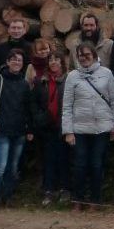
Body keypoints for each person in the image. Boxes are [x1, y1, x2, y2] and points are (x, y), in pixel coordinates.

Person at [63, 42, 114, 212]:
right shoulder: (72, 76)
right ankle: (78, 199)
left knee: (96, 165)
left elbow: (113, 101)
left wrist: (112, 126)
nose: (84, 58)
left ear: (94, 56)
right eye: (81, 55)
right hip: (79, 129)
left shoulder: (106, 74)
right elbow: (67, 105)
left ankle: (96, 200)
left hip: (101, 128)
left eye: (87, 55)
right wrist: (68, 131)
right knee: (80, 165)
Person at [0, 49, 34, 210]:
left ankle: (8, 197)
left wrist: (29, 129)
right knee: (0, 166)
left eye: (19, 60)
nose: (16, 62)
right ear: (7, 62)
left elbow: (28, 108)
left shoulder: (24, 84)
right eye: (13, 59)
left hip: (19, 131)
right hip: (2, 131)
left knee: (13, 168)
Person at [32, 52, 71, 206]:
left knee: (64, 159)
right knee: (48, 159)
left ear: (62, 62)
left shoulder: (69, 80)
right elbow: (33, 102)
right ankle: (48, 190)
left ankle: (65, 189)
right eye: (51, 60)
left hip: (63, 126)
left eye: (56, 59)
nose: (54, 62)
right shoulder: (40, 81)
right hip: (46, 126)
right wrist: (39, 117)